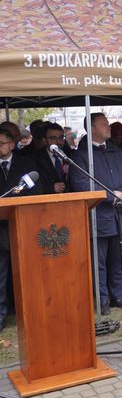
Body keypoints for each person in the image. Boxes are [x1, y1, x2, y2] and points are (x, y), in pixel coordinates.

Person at [69, 113, 122, 316]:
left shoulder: (117, 151)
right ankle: (103, 298)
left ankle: (118, 295)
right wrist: (111, 196)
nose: (109, 127)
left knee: (119, 259)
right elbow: (81, 185)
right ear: (91, 128)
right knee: (98, 262)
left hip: (120, 214)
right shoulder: (81, 156)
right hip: (97, 216)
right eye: (103, 124)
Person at [0, 128, 42, 332]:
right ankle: (1, 315)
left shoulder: (26, 165)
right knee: (1, 277)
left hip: (23, 227)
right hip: (0, 231)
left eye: (1, 143)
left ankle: (31, 312)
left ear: (11, 144)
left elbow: (38, 193)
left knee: (28, 274)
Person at [34, 122, 69, 194]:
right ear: (44, 140)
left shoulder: (70, 155)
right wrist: (51, 188)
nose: (58, 141)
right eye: (53, 138)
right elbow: (32, 185)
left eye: (61, 138)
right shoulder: (35, 159)